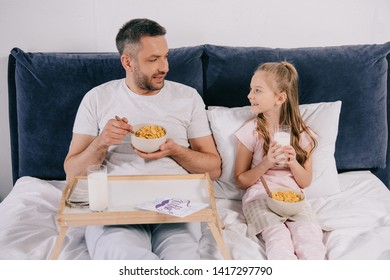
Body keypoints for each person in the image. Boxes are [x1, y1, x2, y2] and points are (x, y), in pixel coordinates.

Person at [64, 18, 221, 260]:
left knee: (182, 262)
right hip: (116, 205)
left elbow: (214, 169)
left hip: (174, 203)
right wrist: (102, 141)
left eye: (165, 57)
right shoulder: (97, 98)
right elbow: (72, 172)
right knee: (123, 257)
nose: (164, 67)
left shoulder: (188, 98)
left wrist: (176, 151)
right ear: (127, 62)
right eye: (153, 59)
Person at [234, 61, 326, 260]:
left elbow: (305, 181)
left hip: (293, 198)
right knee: (278, 238)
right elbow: (240, 180)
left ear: (280, 98)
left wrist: (293, 162)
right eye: (251, 89)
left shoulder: (302, 135)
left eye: (257, 90)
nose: (249, 95)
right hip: (260, 196)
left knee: (309, 238)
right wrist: (266, 162)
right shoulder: (252, 132)